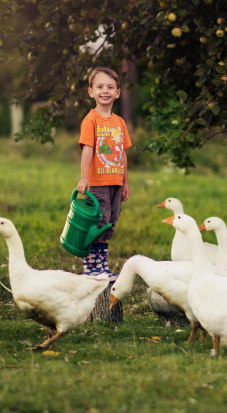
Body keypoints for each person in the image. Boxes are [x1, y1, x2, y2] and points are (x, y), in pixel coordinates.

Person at [77, 67, 131, 281]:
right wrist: (84, 177)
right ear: (91, 92)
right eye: (100, 87)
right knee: (98, 224)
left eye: (110, 87)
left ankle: (102, 267)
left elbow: (122, 154)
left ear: (118, 93)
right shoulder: (91, 120)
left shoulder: (119, 122)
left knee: (109, 224)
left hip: (115, 182)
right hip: (97, 183)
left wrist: (125, 182)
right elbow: (87, 149)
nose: (105, 91)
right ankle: (91, 267)